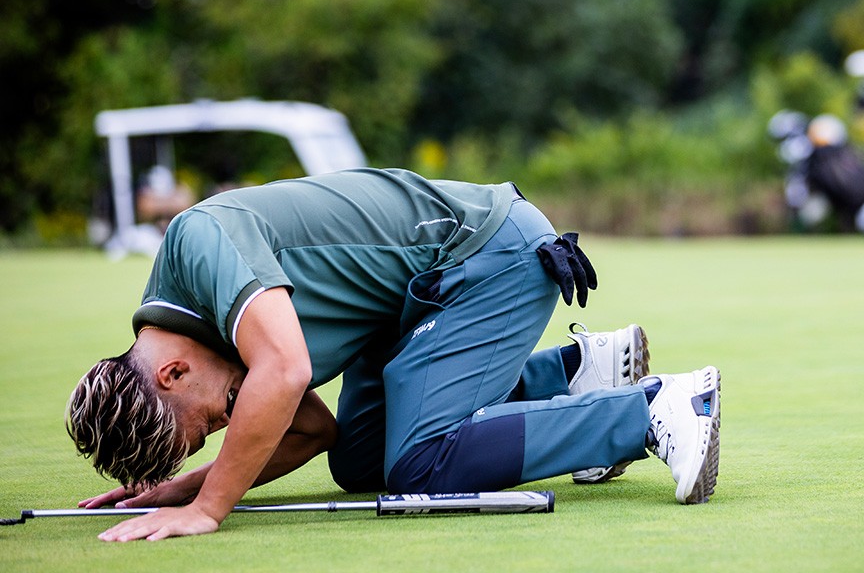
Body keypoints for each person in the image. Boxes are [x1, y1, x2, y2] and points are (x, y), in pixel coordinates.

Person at [66, 168, 721, 542]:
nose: (224, 425)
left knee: (420, 466)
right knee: (360, 461)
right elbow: (315, 430)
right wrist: (188, 485)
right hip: (420, 302)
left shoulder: (198, 244)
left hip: (486, 256)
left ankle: (652, 409)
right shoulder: (188, 330)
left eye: (207, 423)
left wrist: (209, 509)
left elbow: (287, 372)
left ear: (172, 372)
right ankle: (574, 375)